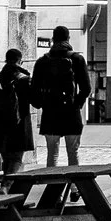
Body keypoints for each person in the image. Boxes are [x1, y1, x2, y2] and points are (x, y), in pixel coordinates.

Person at [29, 25, 93, 167]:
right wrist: (76, 104)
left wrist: (41, 104)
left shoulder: (42, 61)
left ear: (53, 39)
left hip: (50, 112)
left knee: (52, 153)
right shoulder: (77, 59)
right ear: (68, 38)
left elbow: (34, 90)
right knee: (73, 152)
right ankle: (74, 181)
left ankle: (52, 180)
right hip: (71, 113)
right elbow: (86, 88)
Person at [0, 47, 34, 176]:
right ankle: (7, 184)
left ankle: (7, 183)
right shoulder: (24, 79)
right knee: (16, 159)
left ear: (6, 60)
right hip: (19, 124)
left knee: (6, 159)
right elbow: (34, 100)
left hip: (1, 124)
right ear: (20, 61)